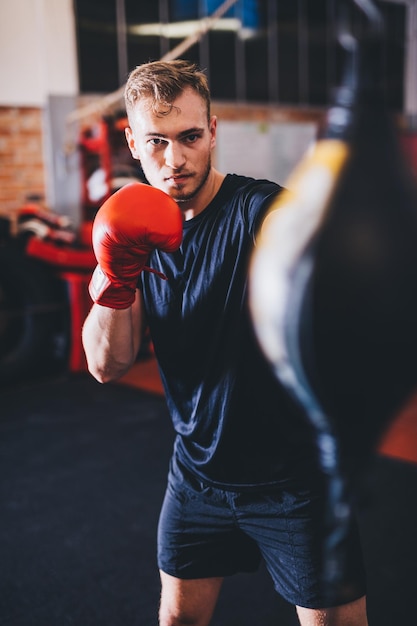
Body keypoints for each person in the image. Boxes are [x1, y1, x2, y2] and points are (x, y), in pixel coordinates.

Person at [82, 59, 368, 626]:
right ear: (132, 140)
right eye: (157, 142)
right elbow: (106, 365)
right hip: (198, 478)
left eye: (191, 137)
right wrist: (115, 279)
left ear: (213, 131)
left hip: (293, 482)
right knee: (178, 619)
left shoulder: (258, 211)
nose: (176, 159)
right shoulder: (128, 231)